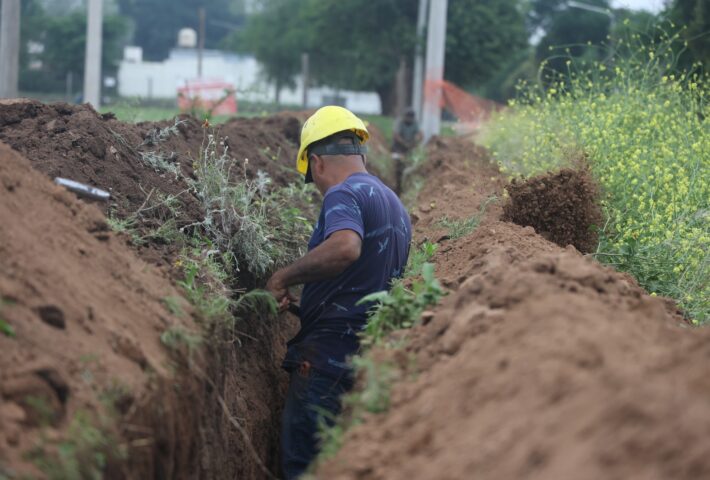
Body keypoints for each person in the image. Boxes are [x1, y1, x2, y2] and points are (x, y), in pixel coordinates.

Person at [266, 105, 411, 479]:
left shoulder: (342, 194)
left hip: (325, 363)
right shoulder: (394, 203)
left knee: (303, 465)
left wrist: (283, 278)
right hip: (363, 361)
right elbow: (367, 281)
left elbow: (346, 248)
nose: (316, 187)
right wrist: (307, 306)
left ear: (317, 163)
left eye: (312, 177)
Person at [391, 107, 423, 194]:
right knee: (398, 166)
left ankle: (406, 187)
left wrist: (416, 141)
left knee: (409, 166)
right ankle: (397, 185)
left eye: (411, 117)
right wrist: (403, 143)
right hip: (399, 147)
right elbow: (396, 135)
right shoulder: (400, 123)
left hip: (410, 148)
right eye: (408, 116)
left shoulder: (415, 124)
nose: (409, 119)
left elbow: (420, 134)